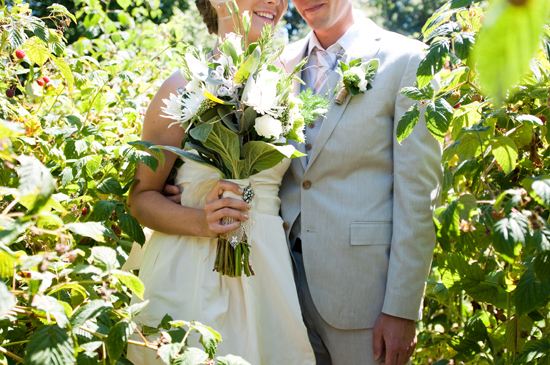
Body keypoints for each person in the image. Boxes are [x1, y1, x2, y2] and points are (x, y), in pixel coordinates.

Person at [125, 0, 315, 364]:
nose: (276, 2)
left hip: (268, 272)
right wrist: (199, 219)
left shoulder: (288, 88)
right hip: (191, 269)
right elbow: (141, 197)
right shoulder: (181, 87)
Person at [275, 1, 443, 364]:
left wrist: (402, 308)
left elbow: (418, 195)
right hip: (282, 285)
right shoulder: (280, 64)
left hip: (365, 297)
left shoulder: (407, 60)